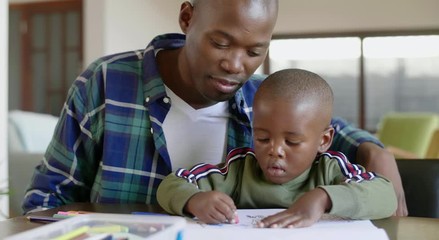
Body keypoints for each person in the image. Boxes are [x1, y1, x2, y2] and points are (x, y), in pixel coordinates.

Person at [22, 0, 406, 216]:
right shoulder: (106, 82)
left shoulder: (264, 98)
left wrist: (375, 149)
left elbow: (324, 128)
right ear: (188, 18)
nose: (236, 65)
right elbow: (47, 199)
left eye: (255, 51)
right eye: (221, 44)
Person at [157, 68, 397, 228]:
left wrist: (323, 198)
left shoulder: (332, 169)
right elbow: (172, 183)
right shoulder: (238, 170)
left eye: (291, 142)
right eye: (262, 138)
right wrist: (194, 200)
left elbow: (386, 195)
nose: (275, 150)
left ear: (323, 141)